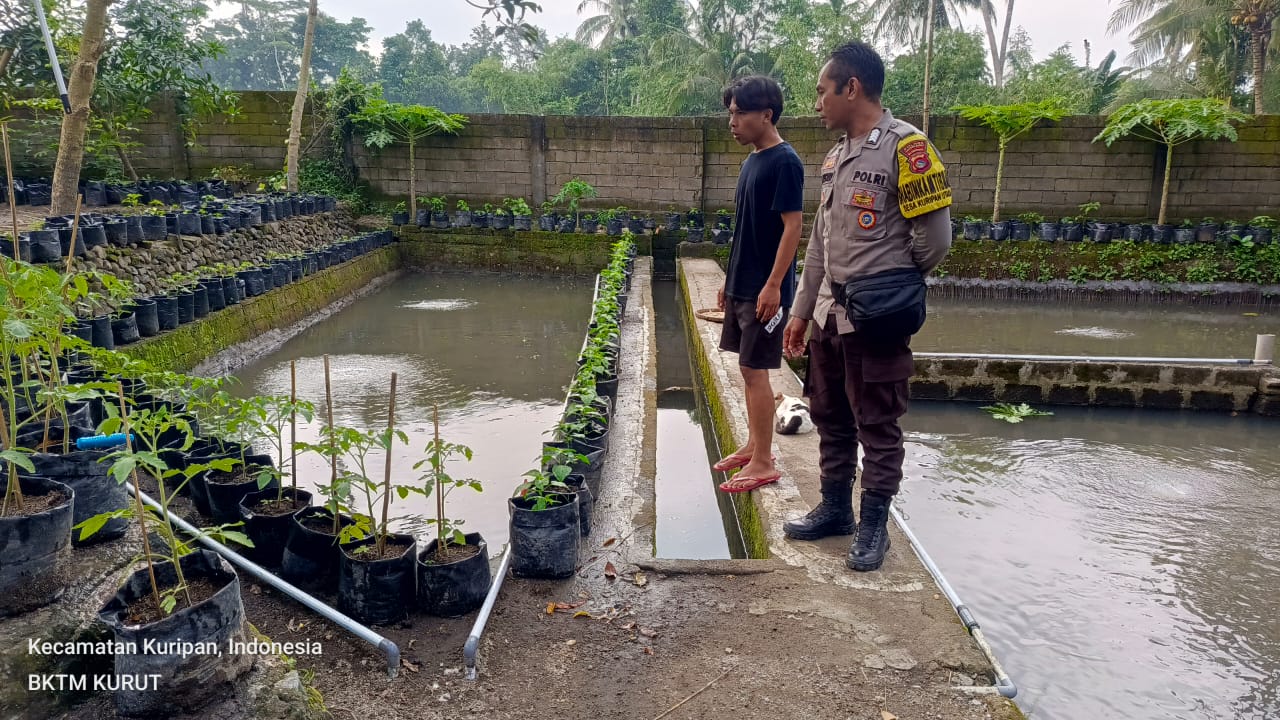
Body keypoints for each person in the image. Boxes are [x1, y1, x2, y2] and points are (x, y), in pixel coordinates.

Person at [782, 42, 952, 572]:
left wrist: (891, 283)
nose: (817, 103)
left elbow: (935, 241)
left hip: (875, 319)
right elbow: (819, 242)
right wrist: (801, 310)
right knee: (830, 414)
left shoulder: (909, 149)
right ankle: (835, 509)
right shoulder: (836, 156)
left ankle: (873, 525)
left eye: (821, 91)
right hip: (831, 315)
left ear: (850, 87)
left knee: (878, 423)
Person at [713, 75, 805, 494]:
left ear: (766, 115)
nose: (732, 122)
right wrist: (730, 283)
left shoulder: (785, 162)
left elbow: (792, 228)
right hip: (743, 284)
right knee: (746, 368)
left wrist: (773, 286)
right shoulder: (752, 162)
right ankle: (754, 445)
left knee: (755, 369)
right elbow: (744, 230)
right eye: (730, 113)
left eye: (740, 113)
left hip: (766, 290)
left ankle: (765, 461)